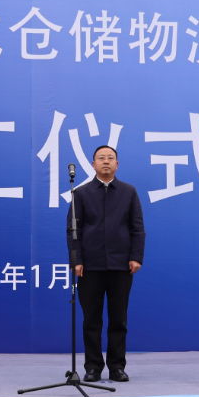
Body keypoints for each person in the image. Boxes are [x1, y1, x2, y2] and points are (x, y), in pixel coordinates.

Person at [67, 145, 145, 383]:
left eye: (110, 158)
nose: (106, 161)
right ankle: (93, 367)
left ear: (117, 165)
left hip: (121, 265)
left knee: (118, 319)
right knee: (91, 320)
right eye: (101, 158)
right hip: (90, 266)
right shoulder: (81, 193)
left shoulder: (129, 192)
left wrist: (136, 256)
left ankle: (117, 367)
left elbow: (137, 228)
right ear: (93, 164)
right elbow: (73, 230)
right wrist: (77, 260)